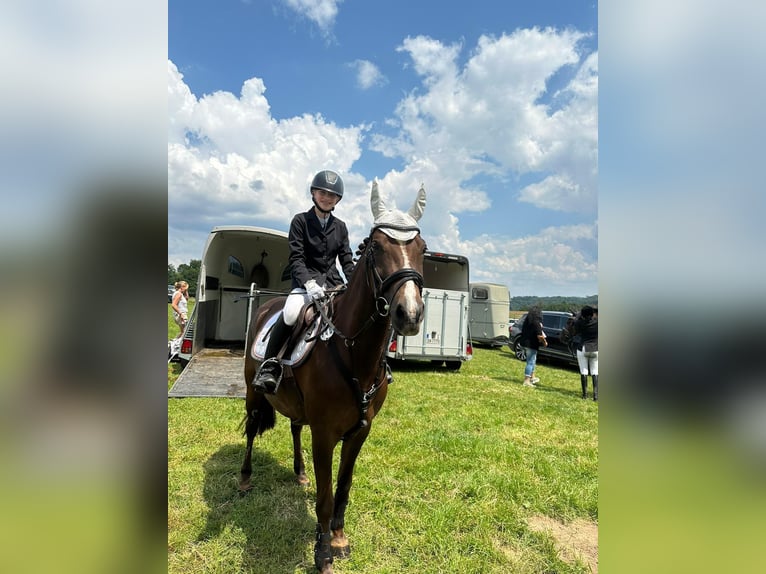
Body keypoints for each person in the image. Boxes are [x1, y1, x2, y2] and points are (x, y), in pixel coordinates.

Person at [253, 169, 355, 394]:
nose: (327, 198)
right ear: (313, 193)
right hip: (305, 284)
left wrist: (354, 281)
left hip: (333, 285)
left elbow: (346, 259)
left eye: (332, 195)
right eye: (322, 193)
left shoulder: (341, 227)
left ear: (338, 199)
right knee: (290, 313)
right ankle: (270, 365)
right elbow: (297, 258)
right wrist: (309, 283)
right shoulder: (300, 221)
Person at [573, 305, 598, 401]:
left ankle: (585, 395)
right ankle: (595, 396)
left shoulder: (579, 323)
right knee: (595, 371)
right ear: (592, 314)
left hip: (583, 347)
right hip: (595, 348)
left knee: (584, 371)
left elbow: (576, 325)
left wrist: (579, 315)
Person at [521, 306, 547, 387]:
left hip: (525, 343)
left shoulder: (527, 321)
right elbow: (540, 336)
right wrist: (545, 342)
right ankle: (526, 380)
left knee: (532, 361)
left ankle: (532, 377)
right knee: (530, 362)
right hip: (532, 344)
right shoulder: (536, 323)